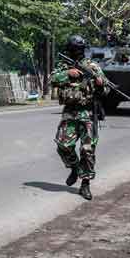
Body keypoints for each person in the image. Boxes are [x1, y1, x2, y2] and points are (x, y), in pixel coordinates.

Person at [51, 35, 109, 201]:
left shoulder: (92, 66)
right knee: (63, 145)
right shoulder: (63, 66)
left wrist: (100, 84)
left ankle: (85, 184)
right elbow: (52, 80)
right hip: (70, 111)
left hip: (88, 113)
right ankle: (75, 168)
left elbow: (106, 89)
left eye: (79, 49)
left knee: (87, 150)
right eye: (73, 49)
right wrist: (68, 74)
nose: (76, 51)